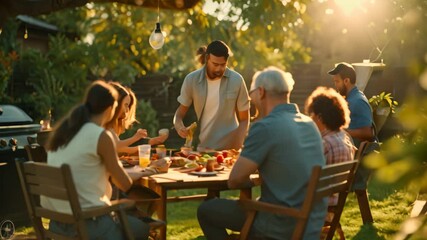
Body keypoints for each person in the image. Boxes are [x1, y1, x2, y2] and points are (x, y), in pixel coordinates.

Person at [197, 66, 327, 239]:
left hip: (279, 222)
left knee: (207, 210)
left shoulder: (265, 127)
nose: (250, 99)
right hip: (310, 224)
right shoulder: (308, 124)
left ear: (261, 92)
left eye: (251, 93)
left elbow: (235, 180)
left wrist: (251, 181)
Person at [41, 80, 149, 239]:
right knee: (140, 229)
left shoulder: (62, 133)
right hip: (88, 225)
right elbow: (124, 184)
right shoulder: (100, 136)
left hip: (57, 224)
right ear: (110, 109)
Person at [173, 40, 250, 151]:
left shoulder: (237, 80)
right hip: (202, 149)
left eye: (223, 64)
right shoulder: (191, 80)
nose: (219, 68)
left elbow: (244, 119)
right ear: (207, 59)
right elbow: (179, 114)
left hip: (228, 150)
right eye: (215, 64)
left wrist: (237, 145)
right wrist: (179, 126)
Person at [105, 82, 167, 155]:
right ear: (116, 103)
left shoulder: (110, 126)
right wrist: (136, 138)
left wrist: (148, 144)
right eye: (126, 105)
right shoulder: (104, 126)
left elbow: (121, 149)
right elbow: (118, 147)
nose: (127, 110)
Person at [327, 62, 376, 147]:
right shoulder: (349, 98)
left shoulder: (358, 101)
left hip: (358, 156)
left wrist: (341, 132)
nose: (335, 85)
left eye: (337, 81)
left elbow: (368, 133)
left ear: (346, 81)